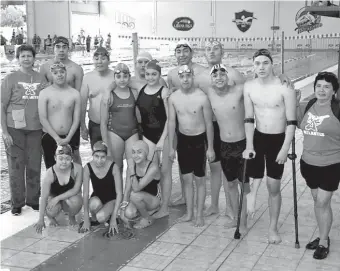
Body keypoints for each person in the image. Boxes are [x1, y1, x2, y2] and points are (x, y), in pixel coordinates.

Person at [243, 49, 297, 244]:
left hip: (277, 140)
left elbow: (292, 121)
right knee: (253, 178)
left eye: (265, 63)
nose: (261, 67)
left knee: (273, 186)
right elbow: (249, 118)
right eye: (257, 63)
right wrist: (249, 144)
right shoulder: (249, 86)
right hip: (258, 138)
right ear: (253, 66)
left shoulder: (285, 87)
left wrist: (284, 148)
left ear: (272, 64)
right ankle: (252, 200)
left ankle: (273, 228)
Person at [197, 40, 246, 218]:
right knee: (215, 168)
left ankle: (232, 208)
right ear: (204, 52)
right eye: (208, 48)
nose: (211, 51)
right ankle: (215, 205)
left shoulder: (234, 74)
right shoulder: (200, 77)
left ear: (222, 52)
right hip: (212, 127)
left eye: (215, 48)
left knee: (230, 173)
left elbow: (253, 89)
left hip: (231, 129)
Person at [297, 72, 340, 260]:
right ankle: (323, 234)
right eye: (319, 86)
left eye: (327, 86)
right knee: (318, 202)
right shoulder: (308, 105)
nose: (322, 90)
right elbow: (297, 124)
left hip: (331, 164)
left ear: (334, 91)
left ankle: (323, 241)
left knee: (322, 202)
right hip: (308, 163)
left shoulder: (338, 109)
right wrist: (294, 100)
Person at [1, 45, 46, 215]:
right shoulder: (11, 78)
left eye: (29, 56)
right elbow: (2, 105)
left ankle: (33, 199)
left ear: (34, 59)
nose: (26, 59)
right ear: (18, 59)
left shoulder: (41, 78)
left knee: (34, 165)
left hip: (36, 129)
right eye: (23, 56)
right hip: (14, 129)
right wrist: (4, 132)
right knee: (15, 166)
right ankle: (17, 203)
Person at [168, 65, 215, 227]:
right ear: (179, 79)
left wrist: (210, 148)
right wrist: (171, 147)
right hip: (183, 141)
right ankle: (189, 212)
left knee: (199, 180)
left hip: (199, 141)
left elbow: (209, 124)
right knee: (187, 179)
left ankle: (200, 214)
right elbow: (172, 123)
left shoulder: (202, 97)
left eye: (188, 75)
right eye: (182, 76)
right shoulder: (173, 98)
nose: (186, 79)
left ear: (192, 77)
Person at [167, 40, 206, 206]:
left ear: (192, 53)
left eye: (185, 51)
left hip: (199, 124)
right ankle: (185, 196)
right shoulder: (171, 74)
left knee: (199, 167)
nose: (182, 55)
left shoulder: (203, 72)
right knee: (185, 166)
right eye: (178, 51)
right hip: (180, 124)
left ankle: (199, 200)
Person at [131, 60, 172, 219]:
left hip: (165, 135)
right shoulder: (141, 88)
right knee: (151, 170)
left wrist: (162, 140)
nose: (150, 77)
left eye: (154, 74)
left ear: (160, 75)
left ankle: (165, 207)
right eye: (148, 74)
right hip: (148, 136)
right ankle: (153, 201)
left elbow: (169, 119)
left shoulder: (164, 92)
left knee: (165, 171)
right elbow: (120, 82)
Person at [40, 36, 84, 165]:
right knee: (50, 157)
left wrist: (81, 125)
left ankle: (77, 184)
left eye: (64, 47)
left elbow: (78, 99)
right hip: (51, 121)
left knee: (74, 155)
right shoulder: (44, 68)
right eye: (58, 47)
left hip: (70, 121)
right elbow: (42, 96)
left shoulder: (77, 69)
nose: (61, 50)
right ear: (52, 48)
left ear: (69, 49)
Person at [34, 145, 83, 233]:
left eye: (67, 159)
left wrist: (58, 198)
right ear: (55, 158)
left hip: (68, 197)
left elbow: (76, 189)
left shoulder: (77, 169)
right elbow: (43, 197)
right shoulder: (50, 173)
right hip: (52, 197)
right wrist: (41, 219)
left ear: (71, 158)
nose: (64, 162)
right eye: (61, 158)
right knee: (51, 210)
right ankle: (50, 217)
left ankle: (71, 216)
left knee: (77, 201)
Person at [100, 63, 139, 170]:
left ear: (129, 77)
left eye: (125, 76)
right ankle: (118, 187)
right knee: (117, 167)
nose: (122, 80)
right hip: (114, 133)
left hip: (132, 133)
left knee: (133, 167)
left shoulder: (134, 93)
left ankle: (132, 187)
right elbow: (103, 123)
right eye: (118, 77)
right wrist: (105, 144)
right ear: (114, 78)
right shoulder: (108, 96)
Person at [79, 141, 123, 234]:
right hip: (97, 198)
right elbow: (85, 193)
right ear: (92, 155)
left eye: (102, 157)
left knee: (101, 217)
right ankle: (95, 218)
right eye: (96, 156)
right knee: (93, 204)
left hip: (112, 199)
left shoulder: (113, 167)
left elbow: (119, 193)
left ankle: (110, 215)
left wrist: (114, 218)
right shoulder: (87, 167)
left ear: (106, 156)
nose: (99, 160)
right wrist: (86, 218)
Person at [121, 140, 161, 229]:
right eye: (133, 152)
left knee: (134, 195)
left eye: (139, 152)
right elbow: (127, 189)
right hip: (139, 198)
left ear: (146, 153)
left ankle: (147, 218)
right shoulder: (132, 167)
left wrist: (131, 170)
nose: (136, 155)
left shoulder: (153, 167)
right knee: (128, 213)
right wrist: (122, 210)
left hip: (153, 199)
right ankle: (147, 211)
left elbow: (136, 188)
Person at [80, 47, 115, 149]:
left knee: (115, 158)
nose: (99, 62)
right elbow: (82, 104)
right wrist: (83, 126)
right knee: (98, 158)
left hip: (113, 125)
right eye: (96, 59)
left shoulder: (115, 76)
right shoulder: (87, 78)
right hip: (95, 125)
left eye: (103, 58)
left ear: (109, 60)